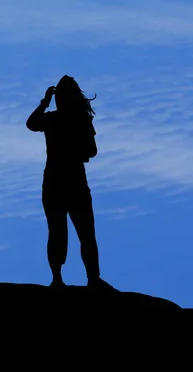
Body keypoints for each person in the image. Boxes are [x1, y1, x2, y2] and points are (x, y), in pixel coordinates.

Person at [27, 75, 114, 290]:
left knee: (58, 232)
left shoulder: (54, 119)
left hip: (56, 181)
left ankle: (59, 279)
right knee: (84, 233)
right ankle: (90, 279)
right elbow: (91, 150)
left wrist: (44, 102)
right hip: (72, 181)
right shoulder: (79, 119)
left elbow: (31, 123)